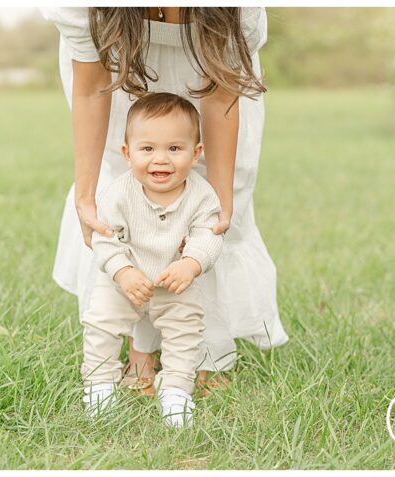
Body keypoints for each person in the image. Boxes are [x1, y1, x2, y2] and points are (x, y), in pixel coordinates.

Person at [42, 7, 289, 396]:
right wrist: (86, 193)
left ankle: (207, 352)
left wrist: (220, 198)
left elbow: (221, 92)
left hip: (215, 86)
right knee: (130, 204)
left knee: (217, 213)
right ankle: (142, 351)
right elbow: (90, 88)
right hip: (123, 79)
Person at [82, 93, 222, 427]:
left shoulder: (202, 194)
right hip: (124, 280)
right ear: (128, 154)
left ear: (196, 153)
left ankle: (176, 390)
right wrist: (122, 271)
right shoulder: (118, 193)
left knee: (185, 331)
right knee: (100, 324)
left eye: (175, 149)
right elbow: (103, 237)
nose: (161, 159)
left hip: (174, 281)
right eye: (148, 149)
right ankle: (100, 384)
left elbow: (209, 234)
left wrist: (191, 264)